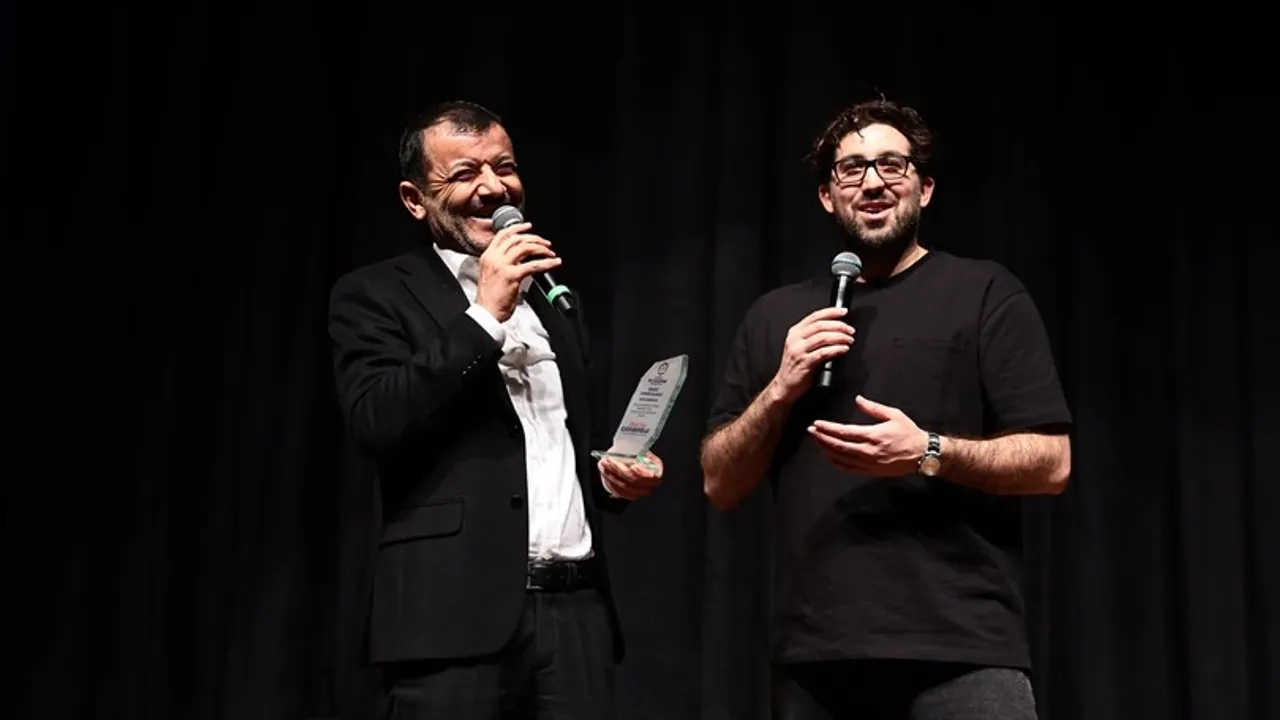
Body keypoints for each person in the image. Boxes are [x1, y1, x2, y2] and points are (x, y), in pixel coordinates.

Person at [699, 97, 1073, 720]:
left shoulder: (985, 293)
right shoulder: (776, 317)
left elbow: (1052, 462)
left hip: (962, 649)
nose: (872, 182)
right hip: (817, 657)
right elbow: (719, 480)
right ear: (828, 196)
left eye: (892, 165)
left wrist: (928, 451)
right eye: (852, 169)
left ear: (924, 189)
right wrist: (782, 386)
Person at [328, 100, 664, 720]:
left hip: (575, 614)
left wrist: (611, 476)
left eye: (504, 167)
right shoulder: (374, 294)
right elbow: (377, 418)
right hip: (447, 617)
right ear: (414, 199)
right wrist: (484, 315)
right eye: (464, 174)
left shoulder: (554, 299)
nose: (493, 187)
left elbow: (553, 447)